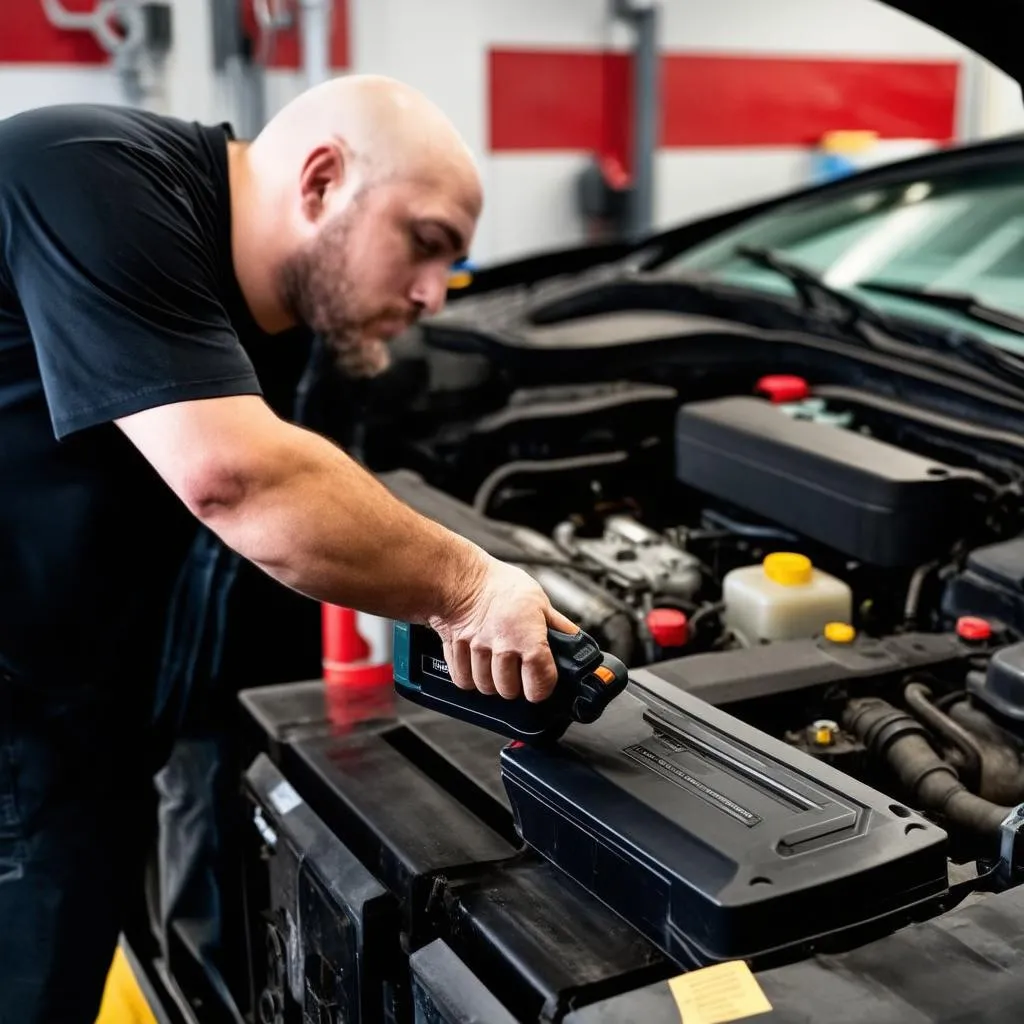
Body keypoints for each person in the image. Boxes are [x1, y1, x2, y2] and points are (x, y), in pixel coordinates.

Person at [0, 73, 578, 1024]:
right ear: (320, 182)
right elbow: (236, 479)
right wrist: (469, 586)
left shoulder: (271, 305)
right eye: (425, 244)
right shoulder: (87, 173)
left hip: (88, 708)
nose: (436, 294)